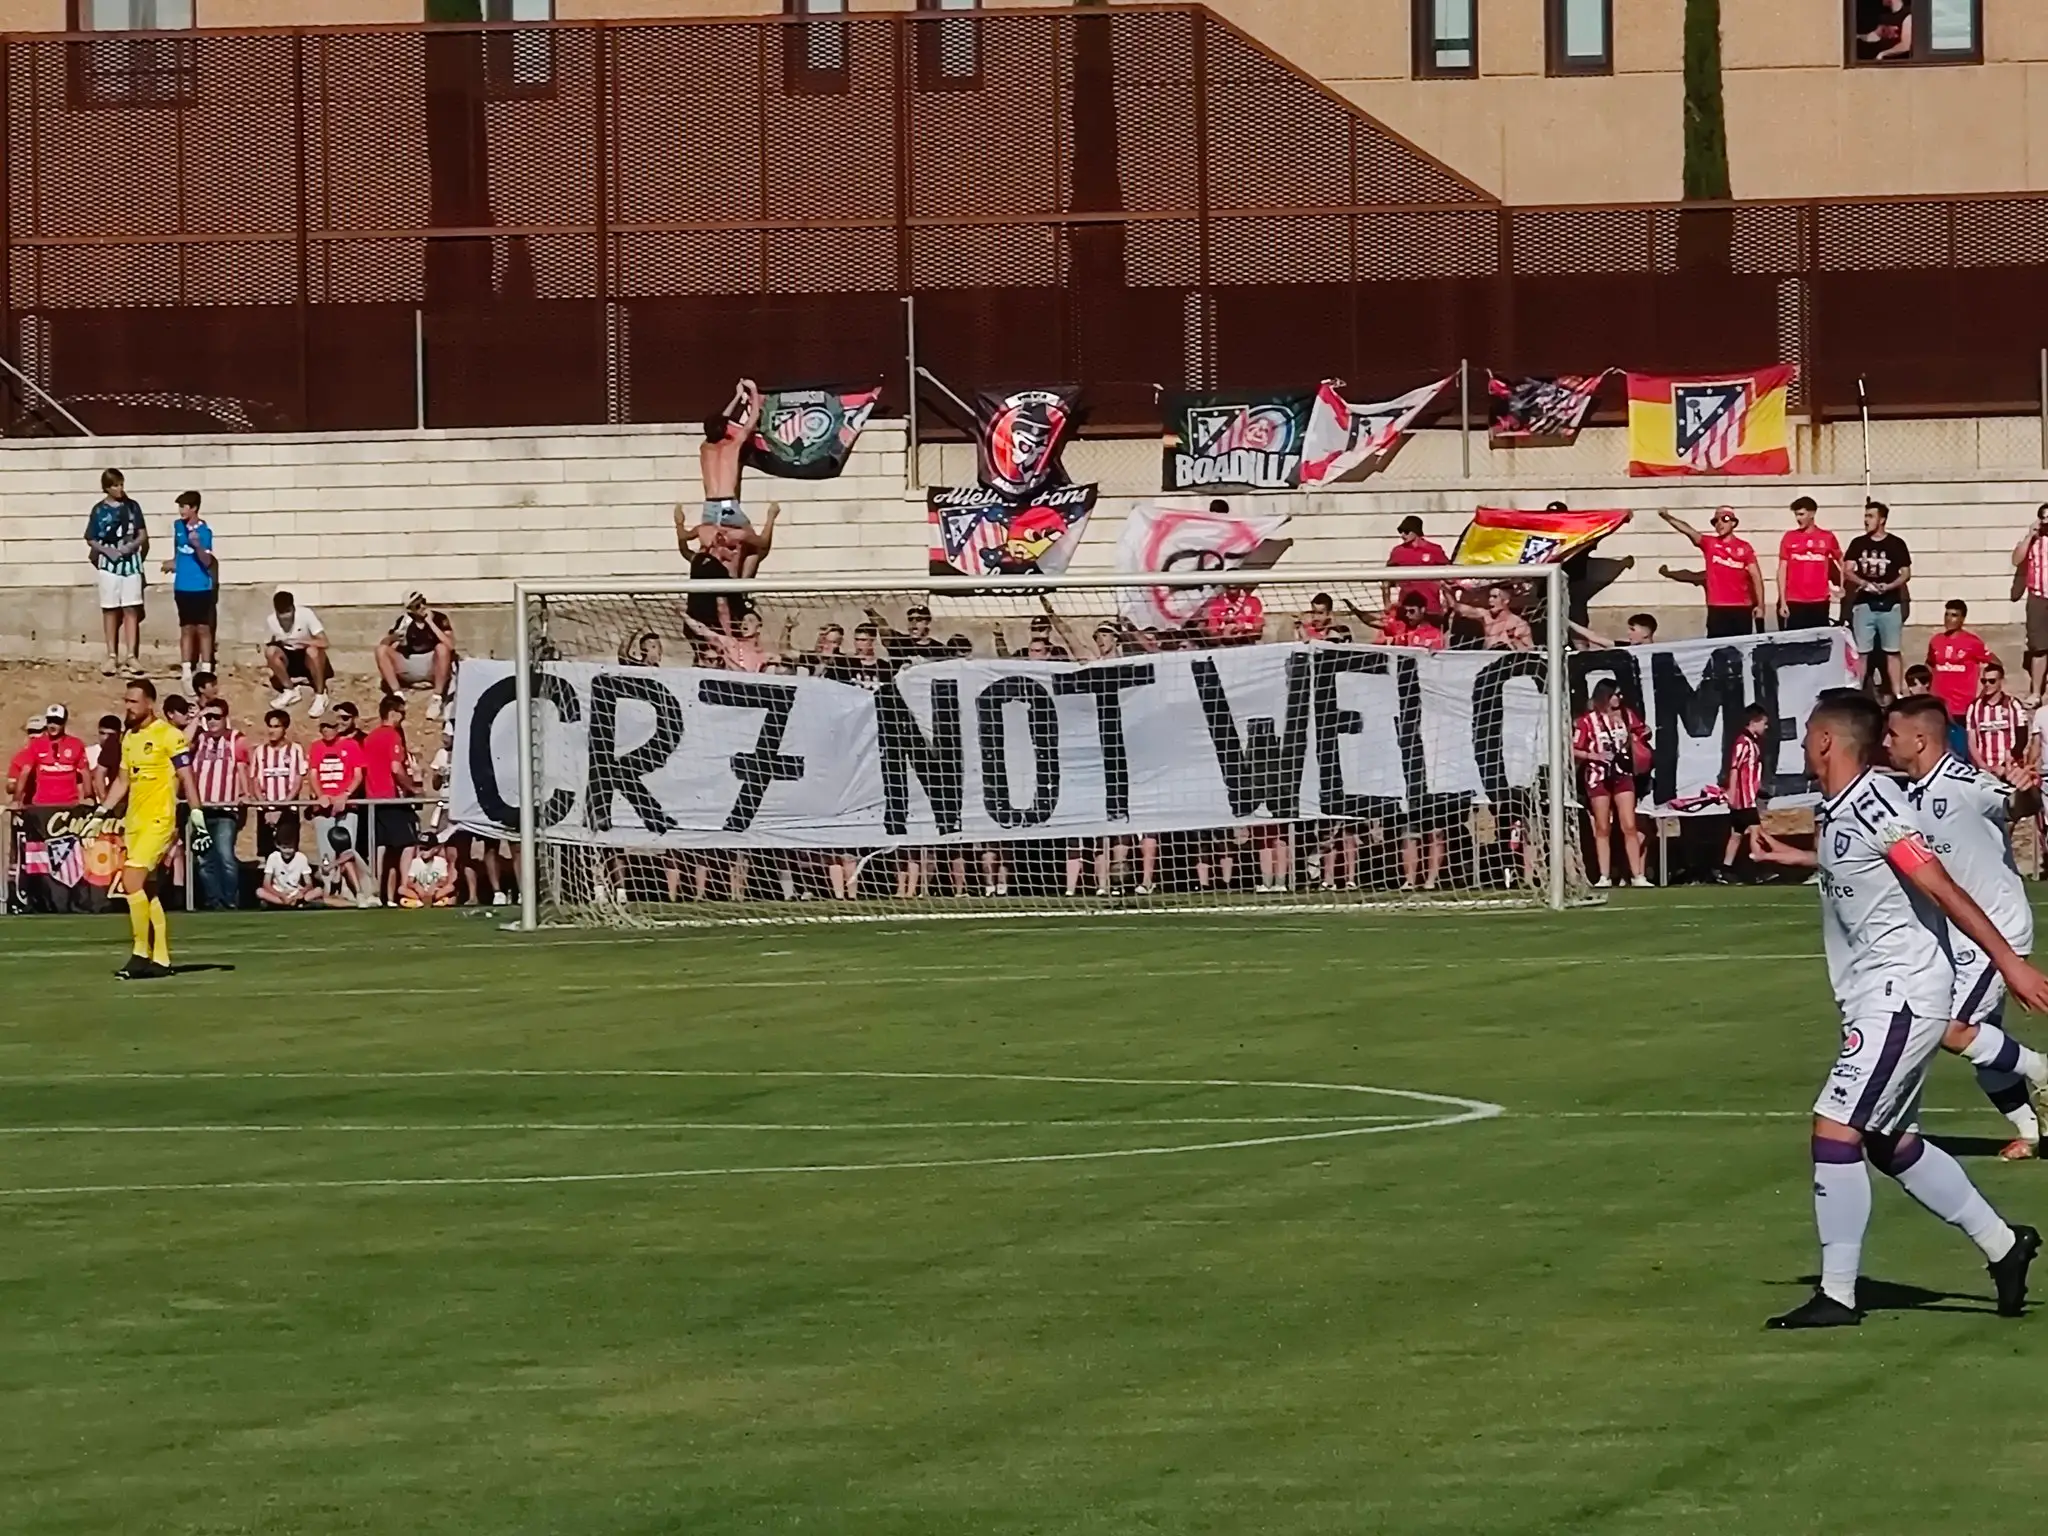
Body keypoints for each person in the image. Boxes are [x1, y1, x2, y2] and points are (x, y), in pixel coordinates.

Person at [1751, 691, 2047, 1328]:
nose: (1803, 746)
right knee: (1890, 1142)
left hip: (1903, 993)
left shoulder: (1877, 803)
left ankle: (1838, 1294)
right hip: (1872, 995)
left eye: (1808, 736)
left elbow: (1938, 884)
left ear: (1827, 742)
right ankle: (2004, 1246)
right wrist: (1797, 857)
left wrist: (2008, 962)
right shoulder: (1840, 809)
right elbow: (1860, 868)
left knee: (1835, 1128)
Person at [1885, 694, 2048, 1160]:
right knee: (1985, 1048)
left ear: (1920, 739)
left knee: (1950, 1027)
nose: (1887, 742)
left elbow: (2014, 804)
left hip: (1994, 928)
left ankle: (2042, 1068)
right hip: (1956, 935)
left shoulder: (1962, 780)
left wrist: (2024, 790)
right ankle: (2031, 1133)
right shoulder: (1908, 793)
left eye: (1893, 734)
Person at [92, 679, 206, 980]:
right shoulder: (129, 738)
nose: (128, 707)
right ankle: (161, 959)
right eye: (126, 701)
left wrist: (197, 815)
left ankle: (140, 952)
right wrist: (102, 811)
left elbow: (187, 776)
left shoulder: (170, 735)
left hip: (160, 821)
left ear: (149, 704)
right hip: (135, 822)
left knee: (131, 880)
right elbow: (122, 781)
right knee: (147, 890)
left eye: (133, 701)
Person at [1571, 680, 1651, 889]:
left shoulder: (1626, 715)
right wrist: (1593, 755)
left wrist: (1638, 738)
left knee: (1629, 825)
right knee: (1602, 826)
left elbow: (1643, 731)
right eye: (1616, 694)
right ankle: (1604, 875)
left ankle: (1637, 875)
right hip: (1598, 776)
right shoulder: (1587, 722)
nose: (1619, 698)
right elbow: (1574, 748)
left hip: (1623, 774)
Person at [1656, 508, 1763, 638]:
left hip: (1742, 607)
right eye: (1715, 521)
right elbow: (1689, 531)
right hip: (1717, 608)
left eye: (1725, 519)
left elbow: (1756, 576)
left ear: (1733, 523)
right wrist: (1667, 517)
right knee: (1717, 651)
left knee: (1741, 650)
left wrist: (1761, 605)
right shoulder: (1710, 544)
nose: (1719, 523)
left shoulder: (1744, 547)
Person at [1844, 500, 1911, 702]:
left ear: (1882, 519)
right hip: (1864, 605)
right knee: (1862, 652)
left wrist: (1888, 586)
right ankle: (1858, 692)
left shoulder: (1896, 544)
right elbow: (1847, 570)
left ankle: (1898, 693)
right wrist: (1863, 583)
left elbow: (1906, 574)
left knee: (1892, 651)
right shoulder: (1858, 543)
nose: (1866, 520)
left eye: (1871, 516)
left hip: (1890, 605)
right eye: (1865, 516)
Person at [85, 468, 148, 677]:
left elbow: (142, 534)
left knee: (131, 608)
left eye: (121, 484)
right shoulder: (98, 510)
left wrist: (131, 547)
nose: (119, 489)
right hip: (109, 564)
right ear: (106, 488)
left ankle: (131, 655)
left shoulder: (132, 506)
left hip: (130, 563)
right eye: (114, 485)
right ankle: (112, 655)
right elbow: (91, 537)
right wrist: (107, 551)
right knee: (110, 609)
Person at [188, 697, 249, 911]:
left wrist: (244, 793)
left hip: (225, 809)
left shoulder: (236, 739)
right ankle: (214, 901)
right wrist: (196, 719)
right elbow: (182, 746)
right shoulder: (199, 739)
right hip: (201, 809)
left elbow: (242, 768)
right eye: (209, 717)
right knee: (205, 860)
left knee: (225, 856)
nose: (212, 721)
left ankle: (230, 900)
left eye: (216, 717)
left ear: (225, 718)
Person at [361, 695, 419, 905]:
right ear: (393, 712)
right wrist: (412, 788)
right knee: (408, 843)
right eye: (401, 713)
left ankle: (377, 892)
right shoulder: (392, 736)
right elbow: (396, 768)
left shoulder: (370, 738)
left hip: (373, 798)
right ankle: (404, 885)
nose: (402, 719)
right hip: (390, 798)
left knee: (381, 847)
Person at [304, 714, 367, 905]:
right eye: (323, 727)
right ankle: (328, 887)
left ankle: (351, 889)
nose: (326, 730)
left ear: (337, 727)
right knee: (326, 851)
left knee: (347, 848)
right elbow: (313, 774)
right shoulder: (316, 747)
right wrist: (320, 794)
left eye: (330, 726)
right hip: (324, 806)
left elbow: (357, 774)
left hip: (346, 805)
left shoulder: (350, 746)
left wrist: (346, 794)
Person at [160, 490, 216, 692]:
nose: (181, 511)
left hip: (200, 586)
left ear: (194, 508)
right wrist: (173, 562)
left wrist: (197, 545)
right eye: (180, 506)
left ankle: (207, 668)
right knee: (186, 627)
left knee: (203, 628)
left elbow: (207, 561)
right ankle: (186, 669)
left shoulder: (204, 532)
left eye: (184, 506)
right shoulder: (178, 526)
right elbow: (177, 550)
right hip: (182, 585)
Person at [1925, 599, 1994, 758]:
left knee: (1961, 753)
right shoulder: (1936, 641)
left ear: (1962, 619)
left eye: (1954, 615)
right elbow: (1929, 665)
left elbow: (1994, 664)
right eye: (1947, 614)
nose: (1949, 619)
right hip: (1939, 705)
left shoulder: (1973, 642)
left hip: (1962, 707)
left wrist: (1983, 692)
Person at [375, 592, 458, 721]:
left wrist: (430, 623)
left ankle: (437, 698)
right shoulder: (404, 622)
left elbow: (450, 645)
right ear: (410, 610)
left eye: (423, 601)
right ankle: (398, 695)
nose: (423, 606)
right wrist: (394, 637)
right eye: (417, 605)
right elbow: (386, 646)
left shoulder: (439, 618)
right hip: (410, 662)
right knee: (381, 650)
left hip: (431, 663)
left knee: (442, 648)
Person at [1711, 706, 1770, 884]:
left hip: (1748, 795)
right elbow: (1735, 768)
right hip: (1744, 798)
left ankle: (1725, 869)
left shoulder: (1752, 743)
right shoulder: (1743, 742)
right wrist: (1732, 792)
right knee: (1756, 831)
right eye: (1764, 723)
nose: (1766, 727)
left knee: (1737, 833)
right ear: (1754, 722)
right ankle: (1759, 868)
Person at [698, 377, 764, 530]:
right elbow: (753, 418)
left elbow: (721, 421)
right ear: (725, 429)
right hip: (728, 503)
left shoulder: (704, 448)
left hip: (709, 504)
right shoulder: (733, 445)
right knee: (751, 539)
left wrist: (736, 397)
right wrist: (753, 390)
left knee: (712, 548)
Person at [249, 707, 307, 860]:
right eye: (270, 726)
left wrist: (282, 807)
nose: (272, 731)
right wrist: (266, 807)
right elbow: (255, 780)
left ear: (284, 728)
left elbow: (298, 780)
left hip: (288, 810)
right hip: (265, 811)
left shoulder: (295, 750)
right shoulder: (259, 752)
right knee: (268, 855)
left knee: (288, 853)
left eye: (276, 726)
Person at [1777, 496, 1842, 631]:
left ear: (1812, 514)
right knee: (1796, 643)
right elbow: (1782, 569)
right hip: (1795, 600)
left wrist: (1842, 586)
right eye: (1796, 515)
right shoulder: (1789, 537)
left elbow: (1842, 561)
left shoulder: (1827, 537)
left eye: (1802, 514)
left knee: (1819, 642)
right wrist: (1783, 601)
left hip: (1819, 600)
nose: (1798, 519)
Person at [265, 590, 332, 717]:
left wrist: (302, 641)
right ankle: (290, 691)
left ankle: (320, 694)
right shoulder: (271, 620)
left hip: (307, 656)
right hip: (289, 657)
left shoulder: (306, 614)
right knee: (270, 652)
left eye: (288, 612)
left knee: (312, 651)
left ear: (293, 608)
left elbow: (324, 642)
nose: (285, 617)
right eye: (281, 613)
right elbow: (269, 643)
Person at [15, 706, 88, 812]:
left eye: (57, 722)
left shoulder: (76, 744)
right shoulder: (36, 744)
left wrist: (88, 796)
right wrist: (16, 799)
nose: (53, 725)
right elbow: (24, 772)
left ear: (64, 722)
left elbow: (85, 772)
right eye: (50, 721)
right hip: (42, 805)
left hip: (69, 805)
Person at [2012, 503, 2048, 707]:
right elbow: (2017, 560)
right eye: (2044, 518)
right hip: (2039, 597)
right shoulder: (2033, 541)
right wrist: (2030, 535)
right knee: (2039, 647)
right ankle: (2036, 692)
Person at [1968, 660, 2028, 775]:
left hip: (2010, 766)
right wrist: (1983, 766)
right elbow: (1971, 740)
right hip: (1984, 768)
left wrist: (2007, 762)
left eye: (1992, 681)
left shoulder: (2014, 704)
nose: (1987, 685)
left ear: (2001, 681)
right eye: (1984, 681)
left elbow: (2022, 737)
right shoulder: (1974, 707)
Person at [1385, 515, 1450, 620]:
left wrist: (1448, 602)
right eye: (1401, 532)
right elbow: (1386, 578)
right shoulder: (1398, 552)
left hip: (1431, 607)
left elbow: (1448, 576)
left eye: (1406, 532)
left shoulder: (1434, 550)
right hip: (1407, 609)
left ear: (1416, 531)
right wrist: (1387, 603)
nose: (1402, 535)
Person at [257, 813, 320, 909]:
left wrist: (302, 892)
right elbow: (266, 884)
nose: (288, 851)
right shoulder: (273, 857)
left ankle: (285, 904)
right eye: (284, 848)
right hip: (279, 893)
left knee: (318, 890)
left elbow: (309, 883)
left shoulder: (301, 857)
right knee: (259, 892)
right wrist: (281, 895)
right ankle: (293, 904)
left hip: (295, 892)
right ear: (277, 845)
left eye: (291, 848)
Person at [1449, 584, 1533, 651]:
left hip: (1507, 663)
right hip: (1487, 660)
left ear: (1506, 601)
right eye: (1489, 596)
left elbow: (1530, 650)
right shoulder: (1486, 615)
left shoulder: (1519, 623)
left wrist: (1514, 640)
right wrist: (1445, 588)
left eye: (1495, 597)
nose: (1490, 600)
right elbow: (1456, 606)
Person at [866, 603, 951, 665]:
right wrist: (870, 612)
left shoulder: (940, 649)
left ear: (927, 622)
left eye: (918, 619)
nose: (913, 623)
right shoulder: (899, 642)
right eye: (911, 619)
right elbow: (884, 628)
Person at [398, 841, 457, 908]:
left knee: (450, 887)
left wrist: (435, 886)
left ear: (435, 849)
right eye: (421, 849)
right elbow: (410, 881)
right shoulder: (415, 862)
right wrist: (417, 887)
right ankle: (418, 901)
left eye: (426, 849)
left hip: (435, 892)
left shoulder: (440, 861)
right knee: (401, 889)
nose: (423, 852)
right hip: (420, 892)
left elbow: (444, 880)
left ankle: (437, 900)